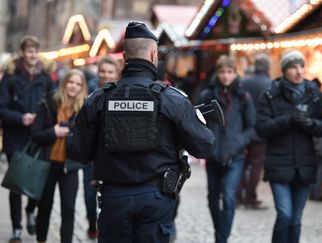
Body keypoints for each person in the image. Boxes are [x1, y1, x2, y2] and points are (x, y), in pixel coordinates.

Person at [67, 22, 215, 243]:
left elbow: (78, 151)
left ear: (125, 56)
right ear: (154, 54)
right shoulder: (172, 99)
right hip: (156, 197)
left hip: (114, 197)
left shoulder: (98, 99)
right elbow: (204, 146)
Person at [255, 49, 322, 243]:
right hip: (279, 164)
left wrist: (310, 124)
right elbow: (261, 128)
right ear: (284, 71)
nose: (299, 71)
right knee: (285, 215)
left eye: (301, 66)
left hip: (304, 165)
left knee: (296, 221)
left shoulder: (313, 93)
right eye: (293, 67)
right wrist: (287, 120)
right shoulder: (271, 94)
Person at [0, 35, 55, 243]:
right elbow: (1, 108)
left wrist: (42, 120)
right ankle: (16, 228)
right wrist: (21, 118)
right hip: (15, 137)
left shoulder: (46, 77)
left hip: (38, 138)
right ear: (22, 52)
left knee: (36, 180)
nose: (32, 54)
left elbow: (54, 104)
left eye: (35, 50)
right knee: (16, 184)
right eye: (29, 51)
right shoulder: (11, 76)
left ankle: (30, 210)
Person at [198, 55, 256, 243]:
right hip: (214, 156)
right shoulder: (207, 95)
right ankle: (219, 233)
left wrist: (239, 142)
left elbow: (252, 126)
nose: (225, 76)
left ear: (235, 73)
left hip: (235, 155)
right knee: (213, 198)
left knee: (230, 198)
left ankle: (222, 239)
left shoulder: (243, 96)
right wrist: (208, 143)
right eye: (222, 72)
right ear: (217, 73)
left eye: (229, 72)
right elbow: (198, 123)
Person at [30, 69, 88, 243]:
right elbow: (35, 134)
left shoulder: (84, 108)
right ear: (64, 83)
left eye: (78, 84)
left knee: (69, 209)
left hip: (69, 167)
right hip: (47, 165)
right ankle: (41, 239)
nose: (73, 86)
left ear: (82, 88)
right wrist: (53, 132)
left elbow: (87, 139)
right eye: (71, 82)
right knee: (44, 207)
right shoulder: (49, 102)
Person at [82, 56, 121, 239]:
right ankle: (92, 225)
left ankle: (108, 227)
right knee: (90, 196)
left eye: (110, 72)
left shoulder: (122, 92)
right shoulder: (89, 90)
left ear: (117, 74)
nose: (105, 75)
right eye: (103, 71)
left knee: (110, 196)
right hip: (91, 152)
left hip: (112, 154)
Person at [237, 53, 272, 209]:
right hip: (262, 131)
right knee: (256, 166)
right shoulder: (271, 84)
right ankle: (250, 197)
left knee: (243, 164)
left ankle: (239, 195)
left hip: (245, 129)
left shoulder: (244, 82)